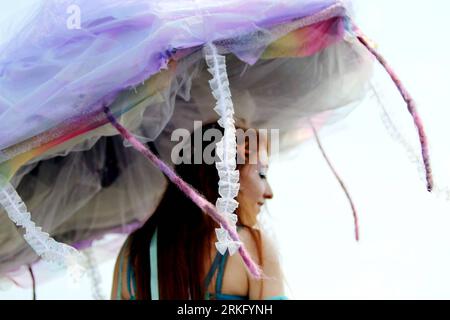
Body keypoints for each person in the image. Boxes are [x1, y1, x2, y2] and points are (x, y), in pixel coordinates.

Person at [111, 122, 287, 300]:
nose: (269, 192)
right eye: (262, 174)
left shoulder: (133, 252)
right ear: (227, 175)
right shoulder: (249, 248)